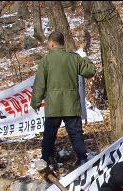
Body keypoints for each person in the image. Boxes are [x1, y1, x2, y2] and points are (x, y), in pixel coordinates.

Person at [31, 31, 96, 167]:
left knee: (49, 134)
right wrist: (85, 58)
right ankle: (83, 159)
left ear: (52, 44)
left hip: (53, 105)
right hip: (71, 104)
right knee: (76, 133)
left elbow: (40, 83)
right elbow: (90, 71)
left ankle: (46, 160)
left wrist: (36, 101)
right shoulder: (74, 58)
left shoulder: (46, 60)